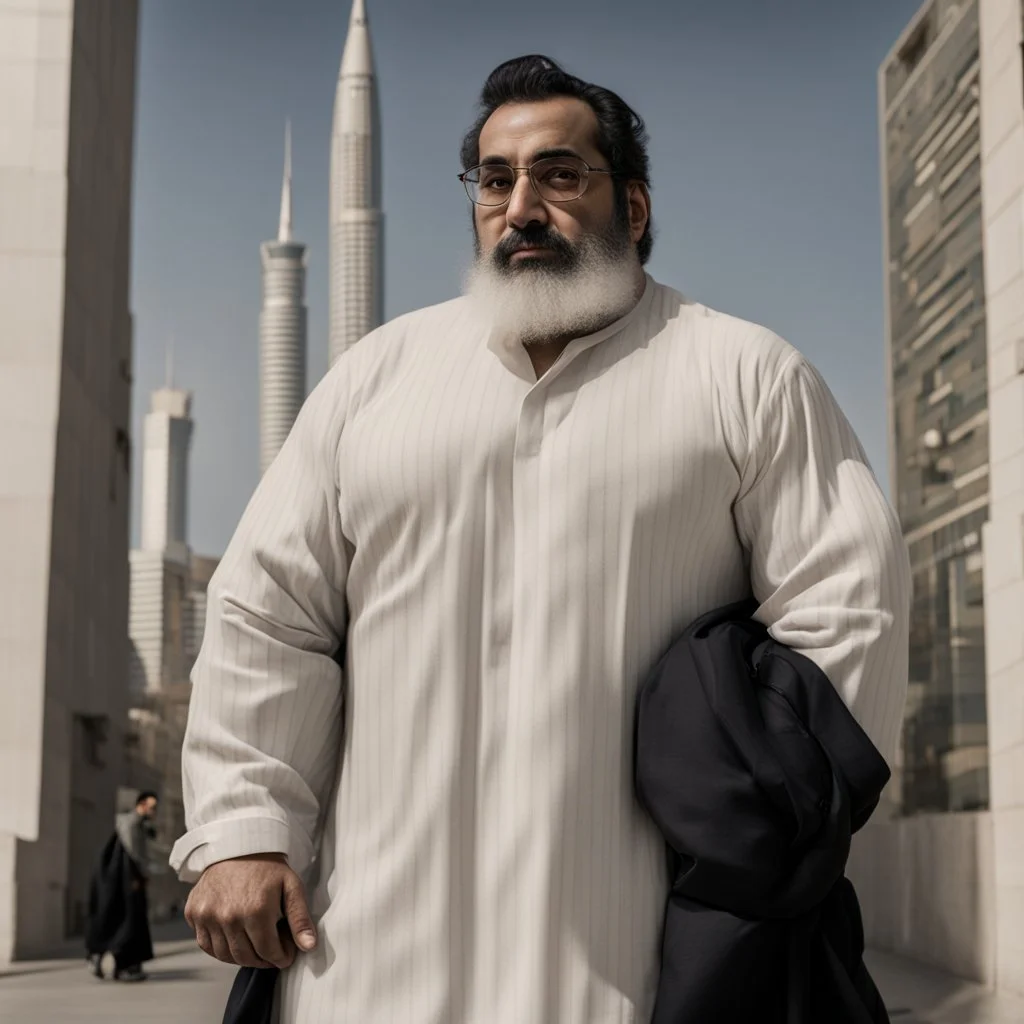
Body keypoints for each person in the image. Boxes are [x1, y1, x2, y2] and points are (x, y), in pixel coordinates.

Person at [173, 55, 911, 1023]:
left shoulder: (743, 375)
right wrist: (244, 828)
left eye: (559, 174)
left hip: (632, 970)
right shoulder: (375, 379)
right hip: (362, 966)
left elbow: (847, 606)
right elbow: (269, 610)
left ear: (633, 206)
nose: (520, 204)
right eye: (494, 179)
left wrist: (746, 848)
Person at [85, 791, 158, 982]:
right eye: (152, 807)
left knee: (123, 921)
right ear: (141, 805)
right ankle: (123, 966)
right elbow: (134, 852)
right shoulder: (131, 823)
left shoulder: (139, 824)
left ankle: (116, 963)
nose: (154, 811)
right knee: (128, 921)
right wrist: (141, 874)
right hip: (126, 880)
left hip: (124, 881)